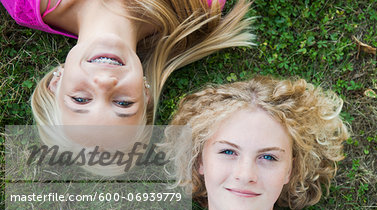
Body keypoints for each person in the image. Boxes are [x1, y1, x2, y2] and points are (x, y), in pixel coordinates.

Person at [101, 76, 364, 210]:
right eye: (228, 151)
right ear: (199, 160)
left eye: (268, 157)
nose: (245, 174)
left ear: (290, 170)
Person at [1, 0, 253, 126]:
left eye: (80, 99)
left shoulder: (24, 3)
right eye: (122, 103)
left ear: (55, 83)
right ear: (145, 93)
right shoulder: (196, 9)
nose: (104, 82)